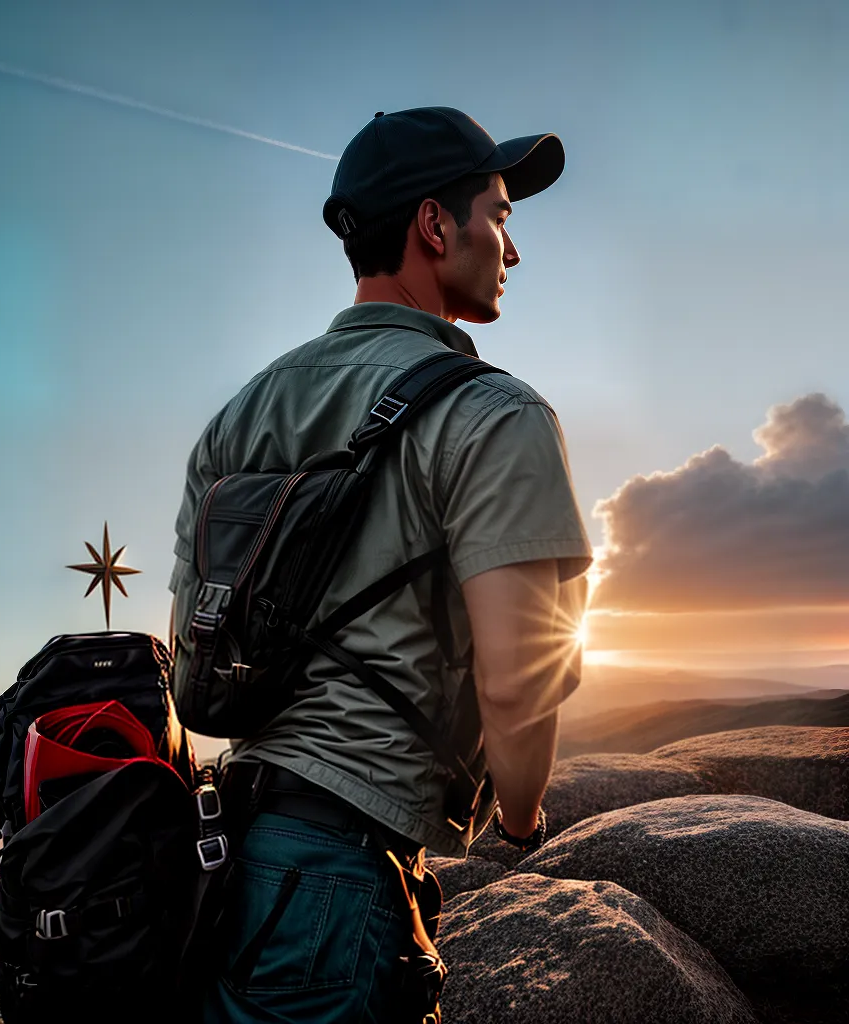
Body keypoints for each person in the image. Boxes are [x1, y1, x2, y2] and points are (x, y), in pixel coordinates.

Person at [168, 106, 592, 1023]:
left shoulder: (238, 418)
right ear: (436, 227)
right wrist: (520, 821)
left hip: (228, 861)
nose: (512, 250)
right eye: (502, 214)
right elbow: (522, 682)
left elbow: (193, 655)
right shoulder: (496, 415)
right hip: (343, 883)